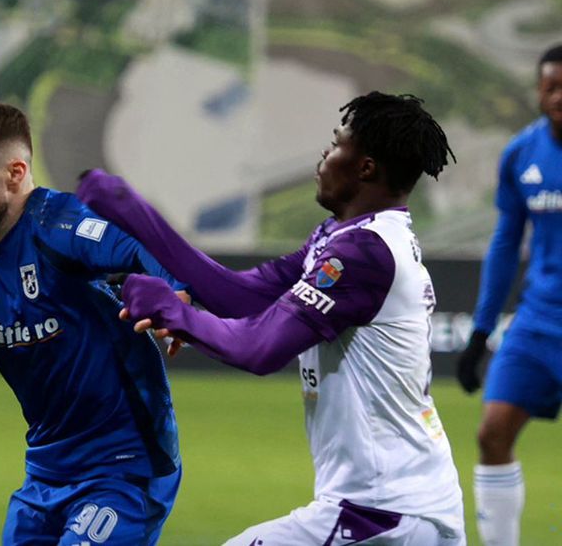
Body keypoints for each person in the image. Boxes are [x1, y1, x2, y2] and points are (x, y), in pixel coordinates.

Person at [77, 91, 466, 545]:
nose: (324, 155)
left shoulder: (364, 253)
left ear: (365, 167)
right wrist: (132, 211)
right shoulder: (344, 238)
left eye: (336, 143)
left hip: (384, 510)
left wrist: (172, 310)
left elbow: (258, 348)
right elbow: (241, 297)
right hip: (399, 505)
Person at [0, 101, 184, 545]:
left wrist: (177, 296)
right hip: (45, 471)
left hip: (125, 465)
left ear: (15, 173)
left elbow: (144, 246)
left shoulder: (60, 224)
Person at [456, 43, 562, 546]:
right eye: (551, 87)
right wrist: (480, 332)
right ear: (538, 92)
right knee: (491, 433)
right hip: (538, 323)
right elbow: (505, 244)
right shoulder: (521, 153)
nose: (559, 96)